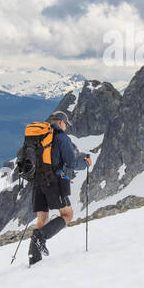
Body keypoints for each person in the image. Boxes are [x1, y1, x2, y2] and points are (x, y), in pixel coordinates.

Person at [28, 111, 91, 266]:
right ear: (62, 122)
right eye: (65, 124)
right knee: (67, 214)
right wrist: (86, 163)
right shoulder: (62, 138)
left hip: (37, 182)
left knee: (42, 218)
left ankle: (34, 259)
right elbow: (71, 163)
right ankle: (40, 237)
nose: (66, 127)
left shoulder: (40, 135)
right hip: (53, 183)